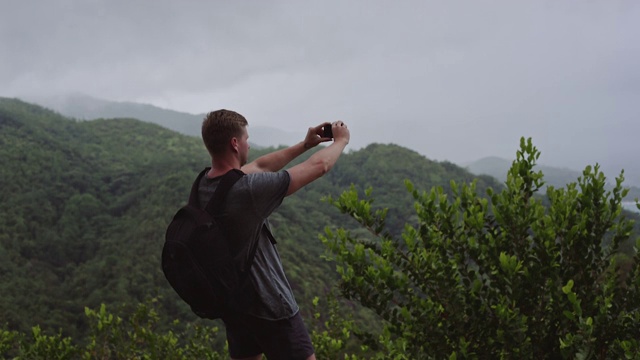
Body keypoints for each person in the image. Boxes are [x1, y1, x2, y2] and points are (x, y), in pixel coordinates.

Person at [198, 109, 350, 360]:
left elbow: (259, 166)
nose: (249, 144)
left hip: (235, 305)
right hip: (269, 305)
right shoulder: (246, 191)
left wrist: (305, 144)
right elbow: (319, 166)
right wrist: (341, 140)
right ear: (235, 144)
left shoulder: (205, 183)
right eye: (246, 139)